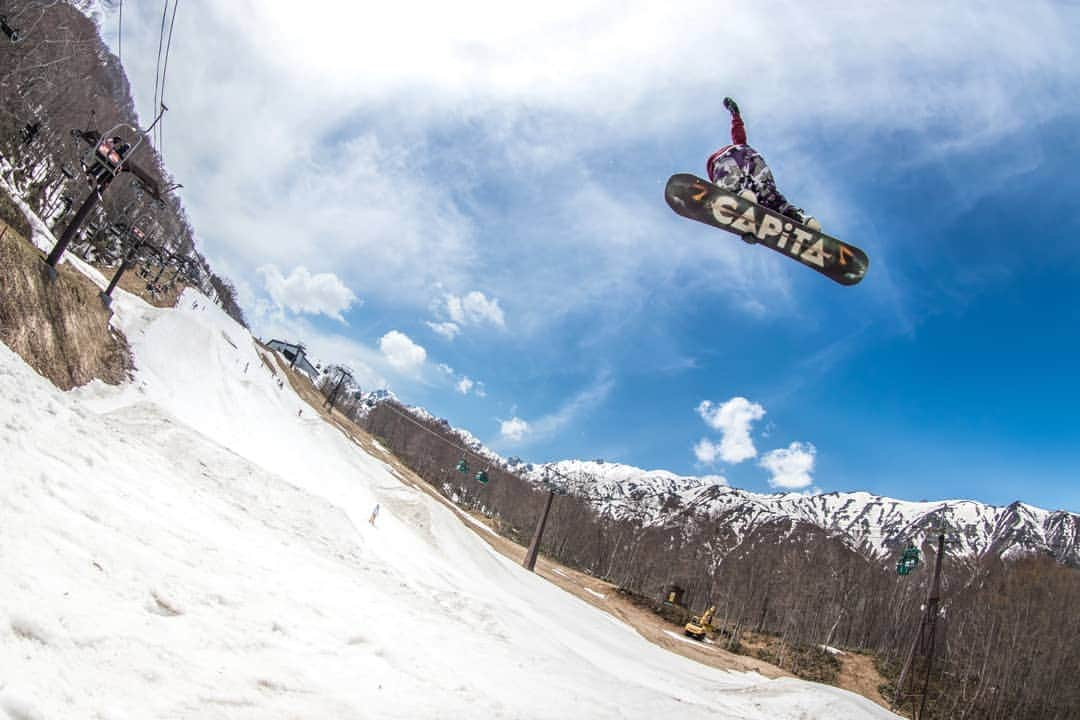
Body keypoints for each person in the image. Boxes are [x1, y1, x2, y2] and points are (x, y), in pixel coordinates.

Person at [706, 97, 820, 231]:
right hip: (749, 155)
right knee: (769, 194)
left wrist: (749, 230)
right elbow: (739, 134)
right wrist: (735, 114)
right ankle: (798, 218)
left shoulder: (718, 168)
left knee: (731, 188)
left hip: (726, 163)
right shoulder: (740, 147)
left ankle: (739, 196)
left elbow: (738, 135)